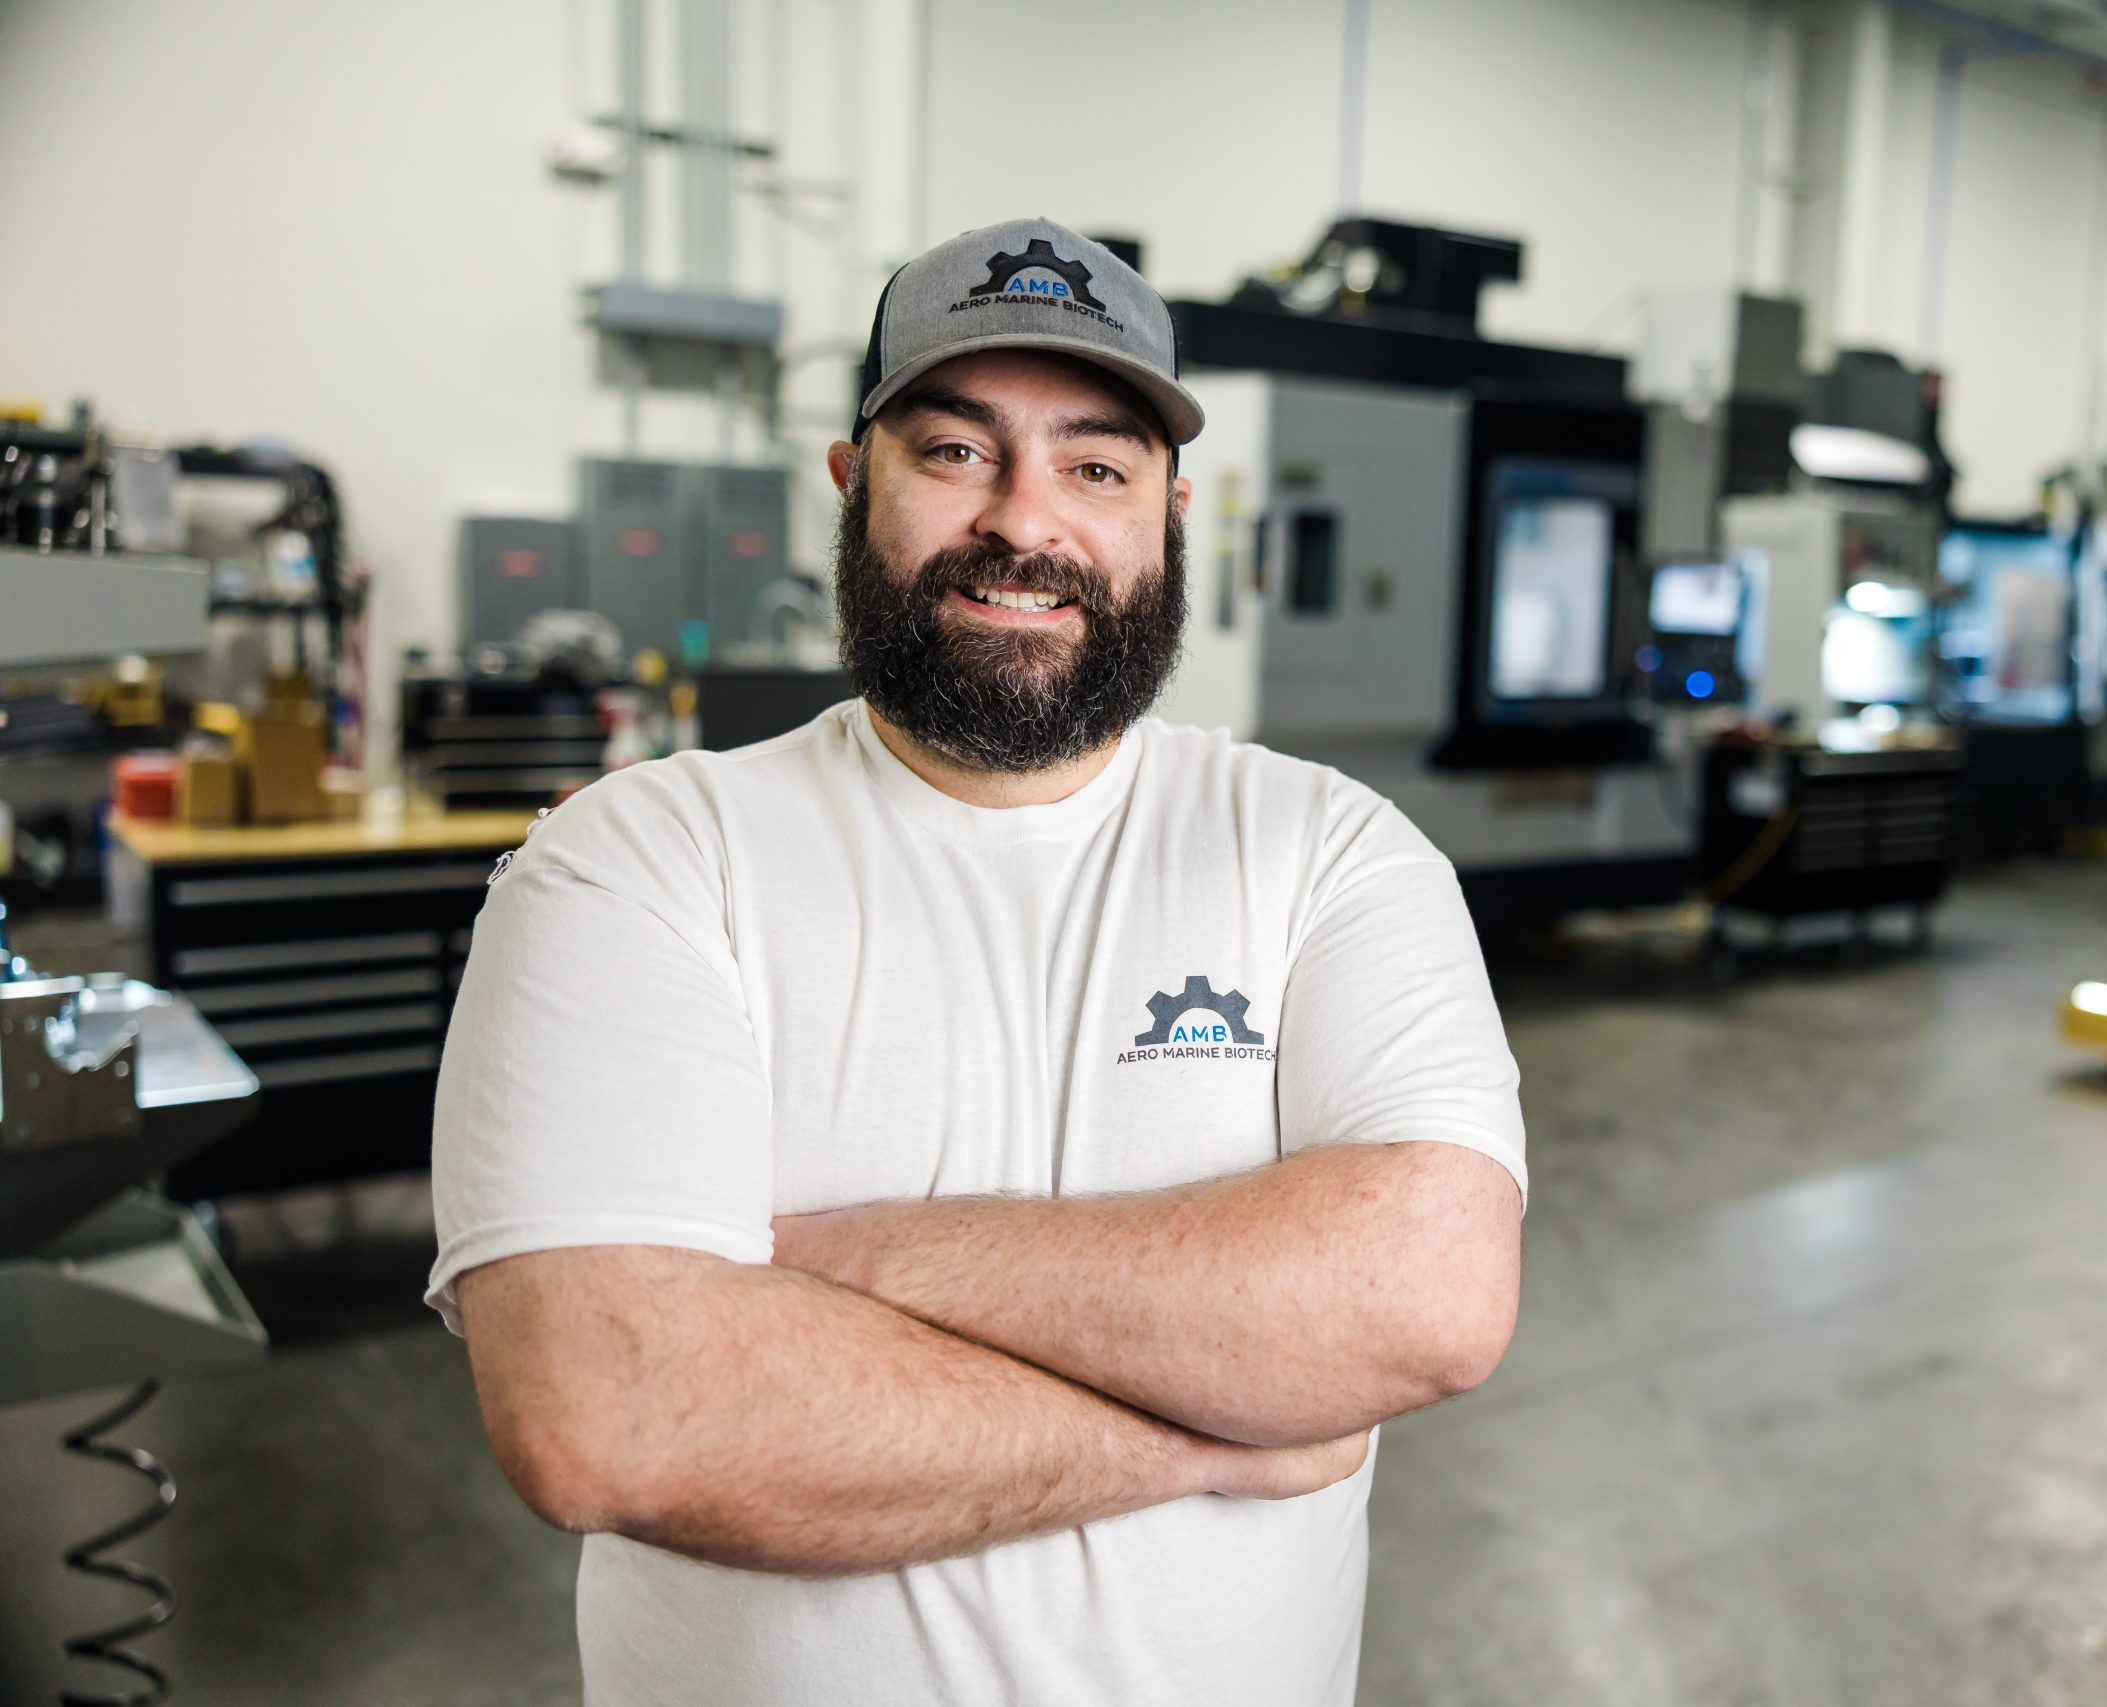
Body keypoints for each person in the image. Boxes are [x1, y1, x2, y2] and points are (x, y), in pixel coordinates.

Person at [428, 217, 1527, 1707]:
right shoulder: (641, 861)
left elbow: (1428, 1298)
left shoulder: (1331, 853)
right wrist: (1216, 1427)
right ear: (850, 484)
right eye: (954, 451)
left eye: (1095, 466)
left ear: (1169, 513)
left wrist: (827, 1262)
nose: (1027, 521)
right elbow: (615, 1415)